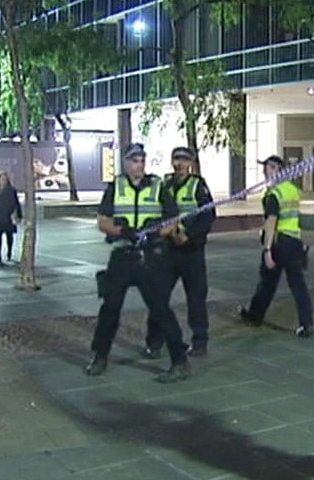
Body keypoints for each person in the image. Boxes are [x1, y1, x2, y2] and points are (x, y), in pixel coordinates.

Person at [86, 143, 191, 383]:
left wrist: (156, 234)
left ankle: (180, 361)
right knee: (110, 309)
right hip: (123, 255)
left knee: (161, 310)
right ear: (126, 162)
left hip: (150, 257)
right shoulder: (115, 188)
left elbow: (172, 220)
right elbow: (102, 221)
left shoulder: (158, 187)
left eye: (142, 160)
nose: (139, 165)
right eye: (134, 161)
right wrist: (123, 231)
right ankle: (99, 356)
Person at [143, 146, 216, 359]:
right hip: (167, 251)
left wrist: (190, 235)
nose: (180, 164)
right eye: (176, 159)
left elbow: (208, 216)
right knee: (158, 297)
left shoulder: (197, 186)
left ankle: (199, 342)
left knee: (196, 297)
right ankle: (154, 343)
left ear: (191, 163)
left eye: (184, 159)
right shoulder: (164, 186)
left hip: (191, 251)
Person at [239, 155, 314, 338]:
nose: (265, 171)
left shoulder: (273, 194)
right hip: (294, 241)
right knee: (298, 284)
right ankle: (306, 324)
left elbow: (271, 221)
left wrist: (267, 250)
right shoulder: (292, 190)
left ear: (277, 170)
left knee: (267, 281)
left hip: (279, 243)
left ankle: (255, 316)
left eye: (269, 168)